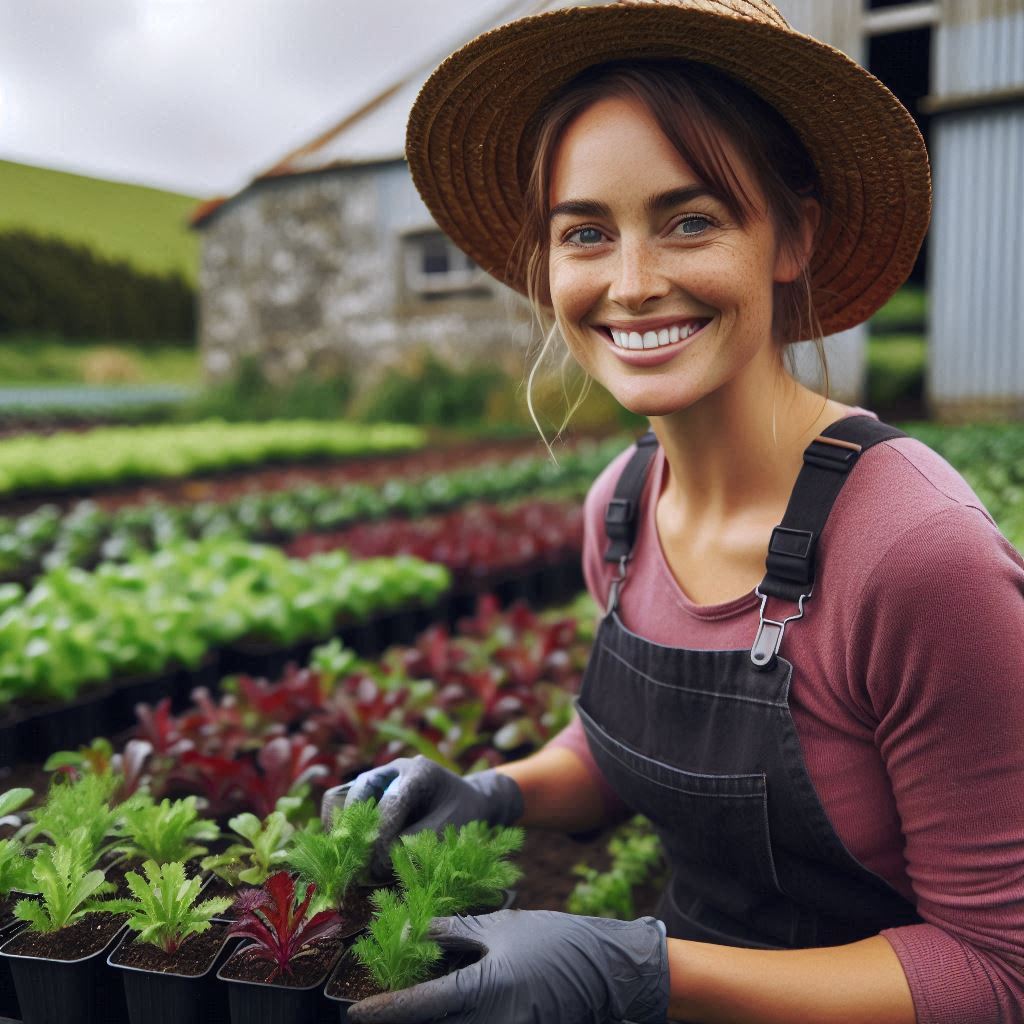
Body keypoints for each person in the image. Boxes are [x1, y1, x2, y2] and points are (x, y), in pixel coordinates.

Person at [322, 2, 1024, 1021]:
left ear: (792, 236)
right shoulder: (620, 506)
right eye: (586, 233)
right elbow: (623, 749)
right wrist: (497, 792)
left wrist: (645, 973)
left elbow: (998, 971)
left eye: (690, 220)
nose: (633, 283)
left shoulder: (915, 556)